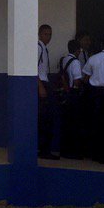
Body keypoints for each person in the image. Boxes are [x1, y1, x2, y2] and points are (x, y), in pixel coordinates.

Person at [58, 39, 87, 158]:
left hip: (65, 93)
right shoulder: (75, 62)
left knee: (66, 123)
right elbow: (76, 81)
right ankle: (73, 151)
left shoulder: (64, 60)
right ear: (78, 50)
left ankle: (64, 149)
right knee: (75, 123)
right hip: (73, 94)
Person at [37, 24, 59, 160]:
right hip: (41, 84)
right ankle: (44, 150)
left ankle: (45, 149)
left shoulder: (44, 49)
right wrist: (40, 86)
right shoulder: (38, 48)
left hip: (45, 83)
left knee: (47, 118)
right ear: (39, 34)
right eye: (46, 34)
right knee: (45, 118)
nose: (48, 37)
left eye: (50, 34)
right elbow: (33, 68)